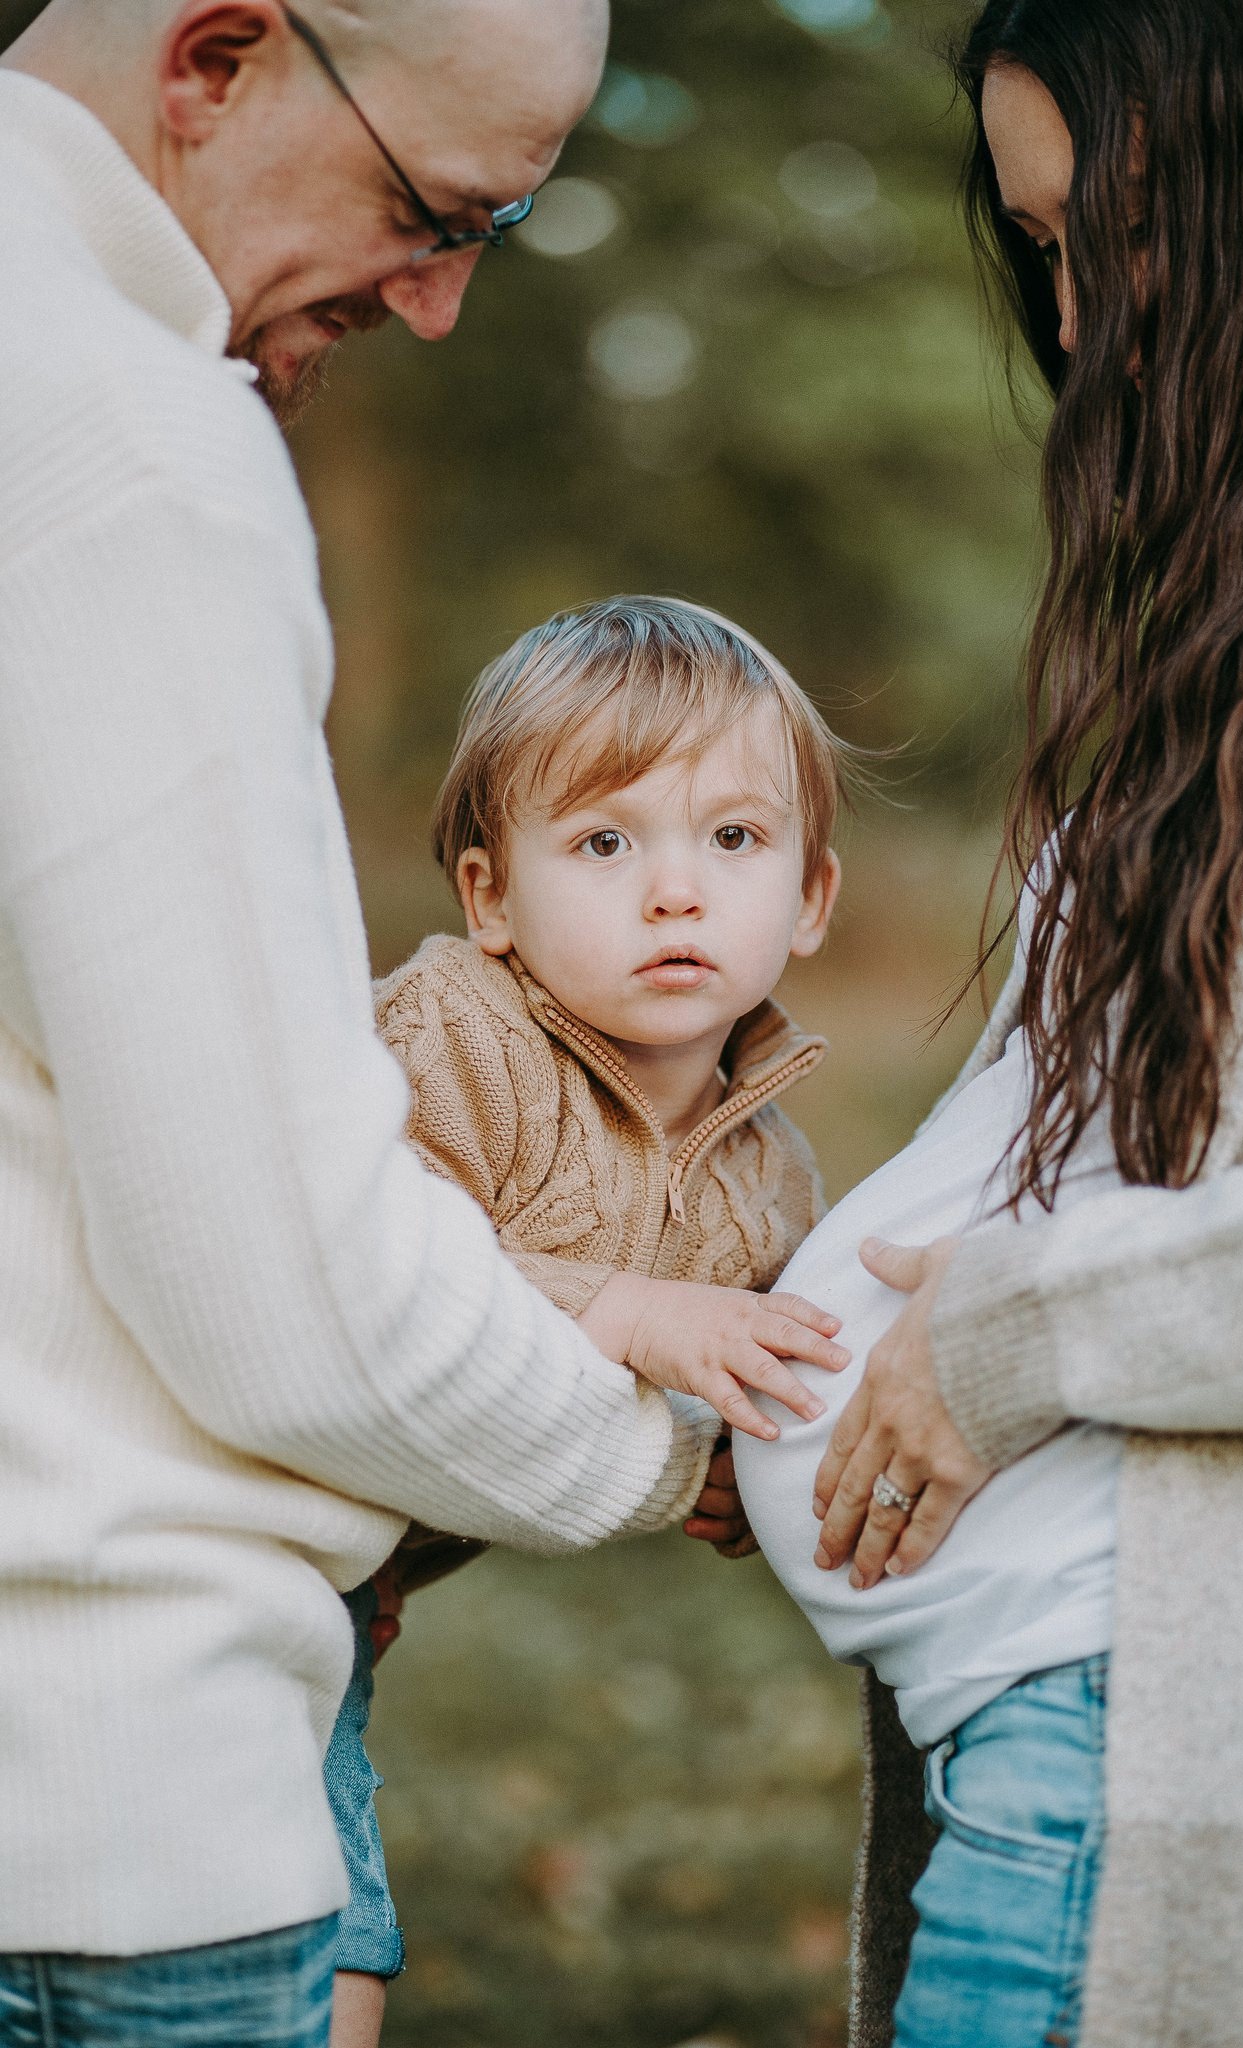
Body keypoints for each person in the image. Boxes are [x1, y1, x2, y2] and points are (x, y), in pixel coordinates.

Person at [0, 4, 835, 2040]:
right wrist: (674, 1464)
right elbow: (288, 1293)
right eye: (426, 210)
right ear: (214, 63)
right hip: (98, 1786)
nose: (442, 305)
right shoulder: (128, 452)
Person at [736, 1, 1243, 2044]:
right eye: (1041, 255)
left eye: (1105, 234)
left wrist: (1005, 1330)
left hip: (1167, 1742)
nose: (1080, 328)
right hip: (1040, 1721)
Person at [328, 594, 852, 2045]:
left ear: (810, 893)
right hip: (226, 1540)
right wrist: (621, 1309)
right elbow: (352, 1268)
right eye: (605, 843)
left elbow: (764, 1373)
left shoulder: (769, 1174)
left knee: (324, 1936)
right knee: (310, 1947)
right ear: (490, 896)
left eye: (733, 841)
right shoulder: (442, 1043)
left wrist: (755, 1463)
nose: (674, 892)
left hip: (355, 1595)